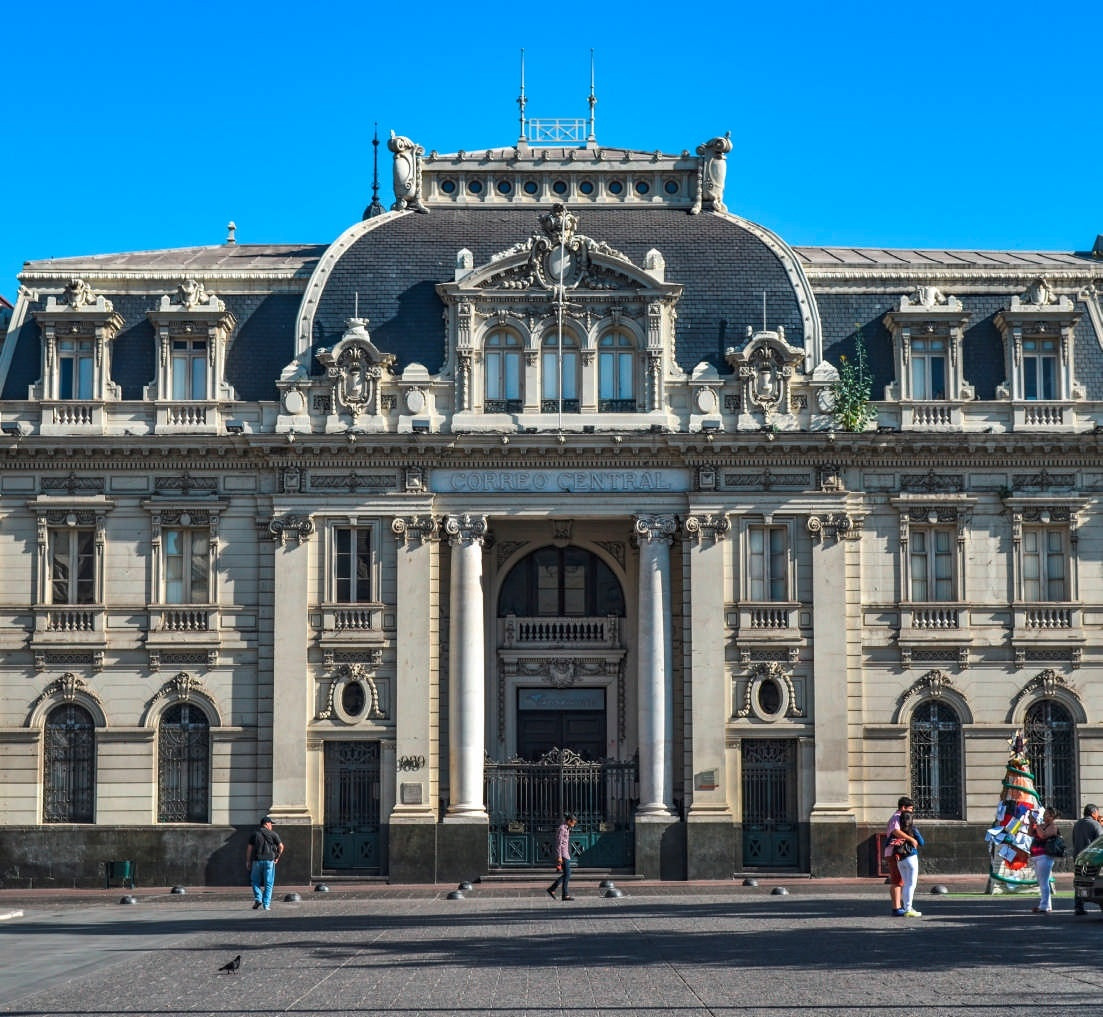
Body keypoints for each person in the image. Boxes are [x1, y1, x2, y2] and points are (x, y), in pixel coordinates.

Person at [884, 796, 915, 916]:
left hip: (893, 852)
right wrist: (911, 839)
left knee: (898, 880)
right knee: (898, 881)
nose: (911, 811)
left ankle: (898, 906)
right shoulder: (897, 817)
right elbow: (896, 831)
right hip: (894, 852)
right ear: (903, 807)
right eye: (910, 809)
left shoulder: (898, 817)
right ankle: (896, 908)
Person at [246, 815, 284, 911]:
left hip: (257, 861)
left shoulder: (255, 834)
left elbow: (249, 849)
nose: (271, 826)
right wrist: (277, 857)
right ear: (267, 823)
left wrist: (248, 861)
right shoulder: (273, 834)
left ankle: (258, 898)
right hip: (269, 861)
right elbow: (281, 846)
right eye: (271, 823)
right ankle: (266, 905)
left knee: (255, 881)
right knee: (268, 883)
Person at [1072, 803, 1103, 915]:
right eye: (1097, 812)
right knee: (1094, 882)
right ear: (1093, 813)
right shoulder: (1095, 824)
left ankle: (1078, 906)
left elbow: (1074, 840)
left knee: (1080, 882)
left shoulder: (1077, 824)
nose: (1098, 815)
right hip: (1093, 859)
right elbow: (1100, 841)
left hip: (1079, 857)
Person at [893, 811, 925, 918]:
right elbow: (921, 842)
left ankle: (907, 907)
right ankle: (908, 909)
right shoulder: (913, 829)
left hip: (900, 859)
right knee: (911, 885)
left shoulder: (897, 831)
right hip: (911, 858)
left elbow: (889, 842)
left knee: (906, 884)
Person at [1029, 806, 1060, 913]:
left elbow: (1043, 835)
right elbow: (1030, 833)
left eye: (1046, 814)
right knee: (1041, 882)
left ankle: (1043, 906)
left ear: (1051, 816)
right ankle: (1047, 905)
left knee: (1044, 882)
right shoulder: (1041, 825)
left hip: (1045, 856)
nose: (1043, 815)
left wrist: (1037, 825)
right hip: (1036, 856)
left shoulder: (1053, 827)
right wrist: (1031, 822)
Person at [546, 813, 578, 902]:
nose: (573, 825)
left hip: (566, 854)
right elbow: (558, 844)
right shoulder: (562, 829)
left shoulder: (567, 829)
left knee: (567, 874)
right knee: (567, 874)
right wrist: (559, 857)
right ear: (569, 821)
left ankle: (553, 889)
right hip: (563, 855)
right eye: (573, 823)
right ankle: (564, 894)